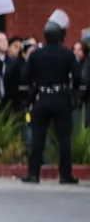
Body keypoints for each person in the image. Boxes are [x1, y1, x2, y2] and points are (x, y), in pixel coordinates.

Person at [20, 10, 81, 185]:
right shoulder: (68, 54)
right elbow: (77, 78)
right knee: (64, 139)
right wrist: (73, 92)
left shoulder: (36, 55)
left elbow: (25, 77)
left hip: (42, 98)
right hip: (61, 98)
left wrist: (36, 84)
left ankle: (33, 174)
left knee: (38, 138)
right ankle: (65, 175)